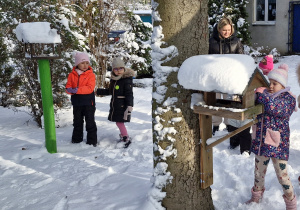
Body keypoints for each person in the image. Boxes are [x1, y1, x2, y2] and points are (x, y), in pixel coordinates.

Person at [246, 64, 297, 209]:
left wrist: (261, 95)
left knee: (282, 176)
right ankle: (256, 197)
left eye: (275, 83)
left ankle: (291, 203)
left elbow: (274, 108)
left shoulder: (288, 100)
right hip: (261, 143)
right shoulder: (266, 96)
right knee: (258, 173)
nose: (271, 86)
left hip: (277, 145)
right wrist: (254, 94)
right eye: (270, 83)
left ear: (283, 84)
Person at [209, 16, 251, 155]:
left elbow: (241, 58)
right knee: (215, 101)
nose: (226, 32)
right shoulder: (212, 42)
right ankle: (215, 124)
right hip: (216, 76)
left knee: (229, 101)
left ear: (232, 29)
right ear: (218, 29)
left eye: (228, 30)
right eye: (223, 30)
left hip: (230, 77)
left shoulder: (236, 41)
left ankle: (228, 124)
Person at [96, 57, 135, 148]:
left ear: (124, 69)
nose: (118, 71)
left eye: (121, 68)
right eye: (116, 69)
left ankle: (125, 137)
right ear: (113, 70)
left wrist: (129, 105)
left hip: (123, 105)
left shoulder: (126, 80)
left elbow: (129, 94)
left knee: (119, 122)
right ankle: (124, 135)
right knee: (119, 122)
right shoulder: (114, 79)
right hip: (116, 104)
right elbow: (110, 91)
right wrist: (99, 91)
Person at [66, 52, 97, 147]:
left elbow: (89, 88)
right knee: (77, 122)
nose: (85, 65)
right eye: (82, 63)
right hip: (77, 103)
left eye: (87, 63)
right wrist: (69, 90)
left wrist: (76, 90)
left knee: (90, 122)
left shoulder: (90, 75)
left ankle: (92, 141)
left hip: (88, 103)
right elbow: (68, 86)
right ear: (77, 64)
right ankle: (76, 140)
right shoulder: (72, 75)